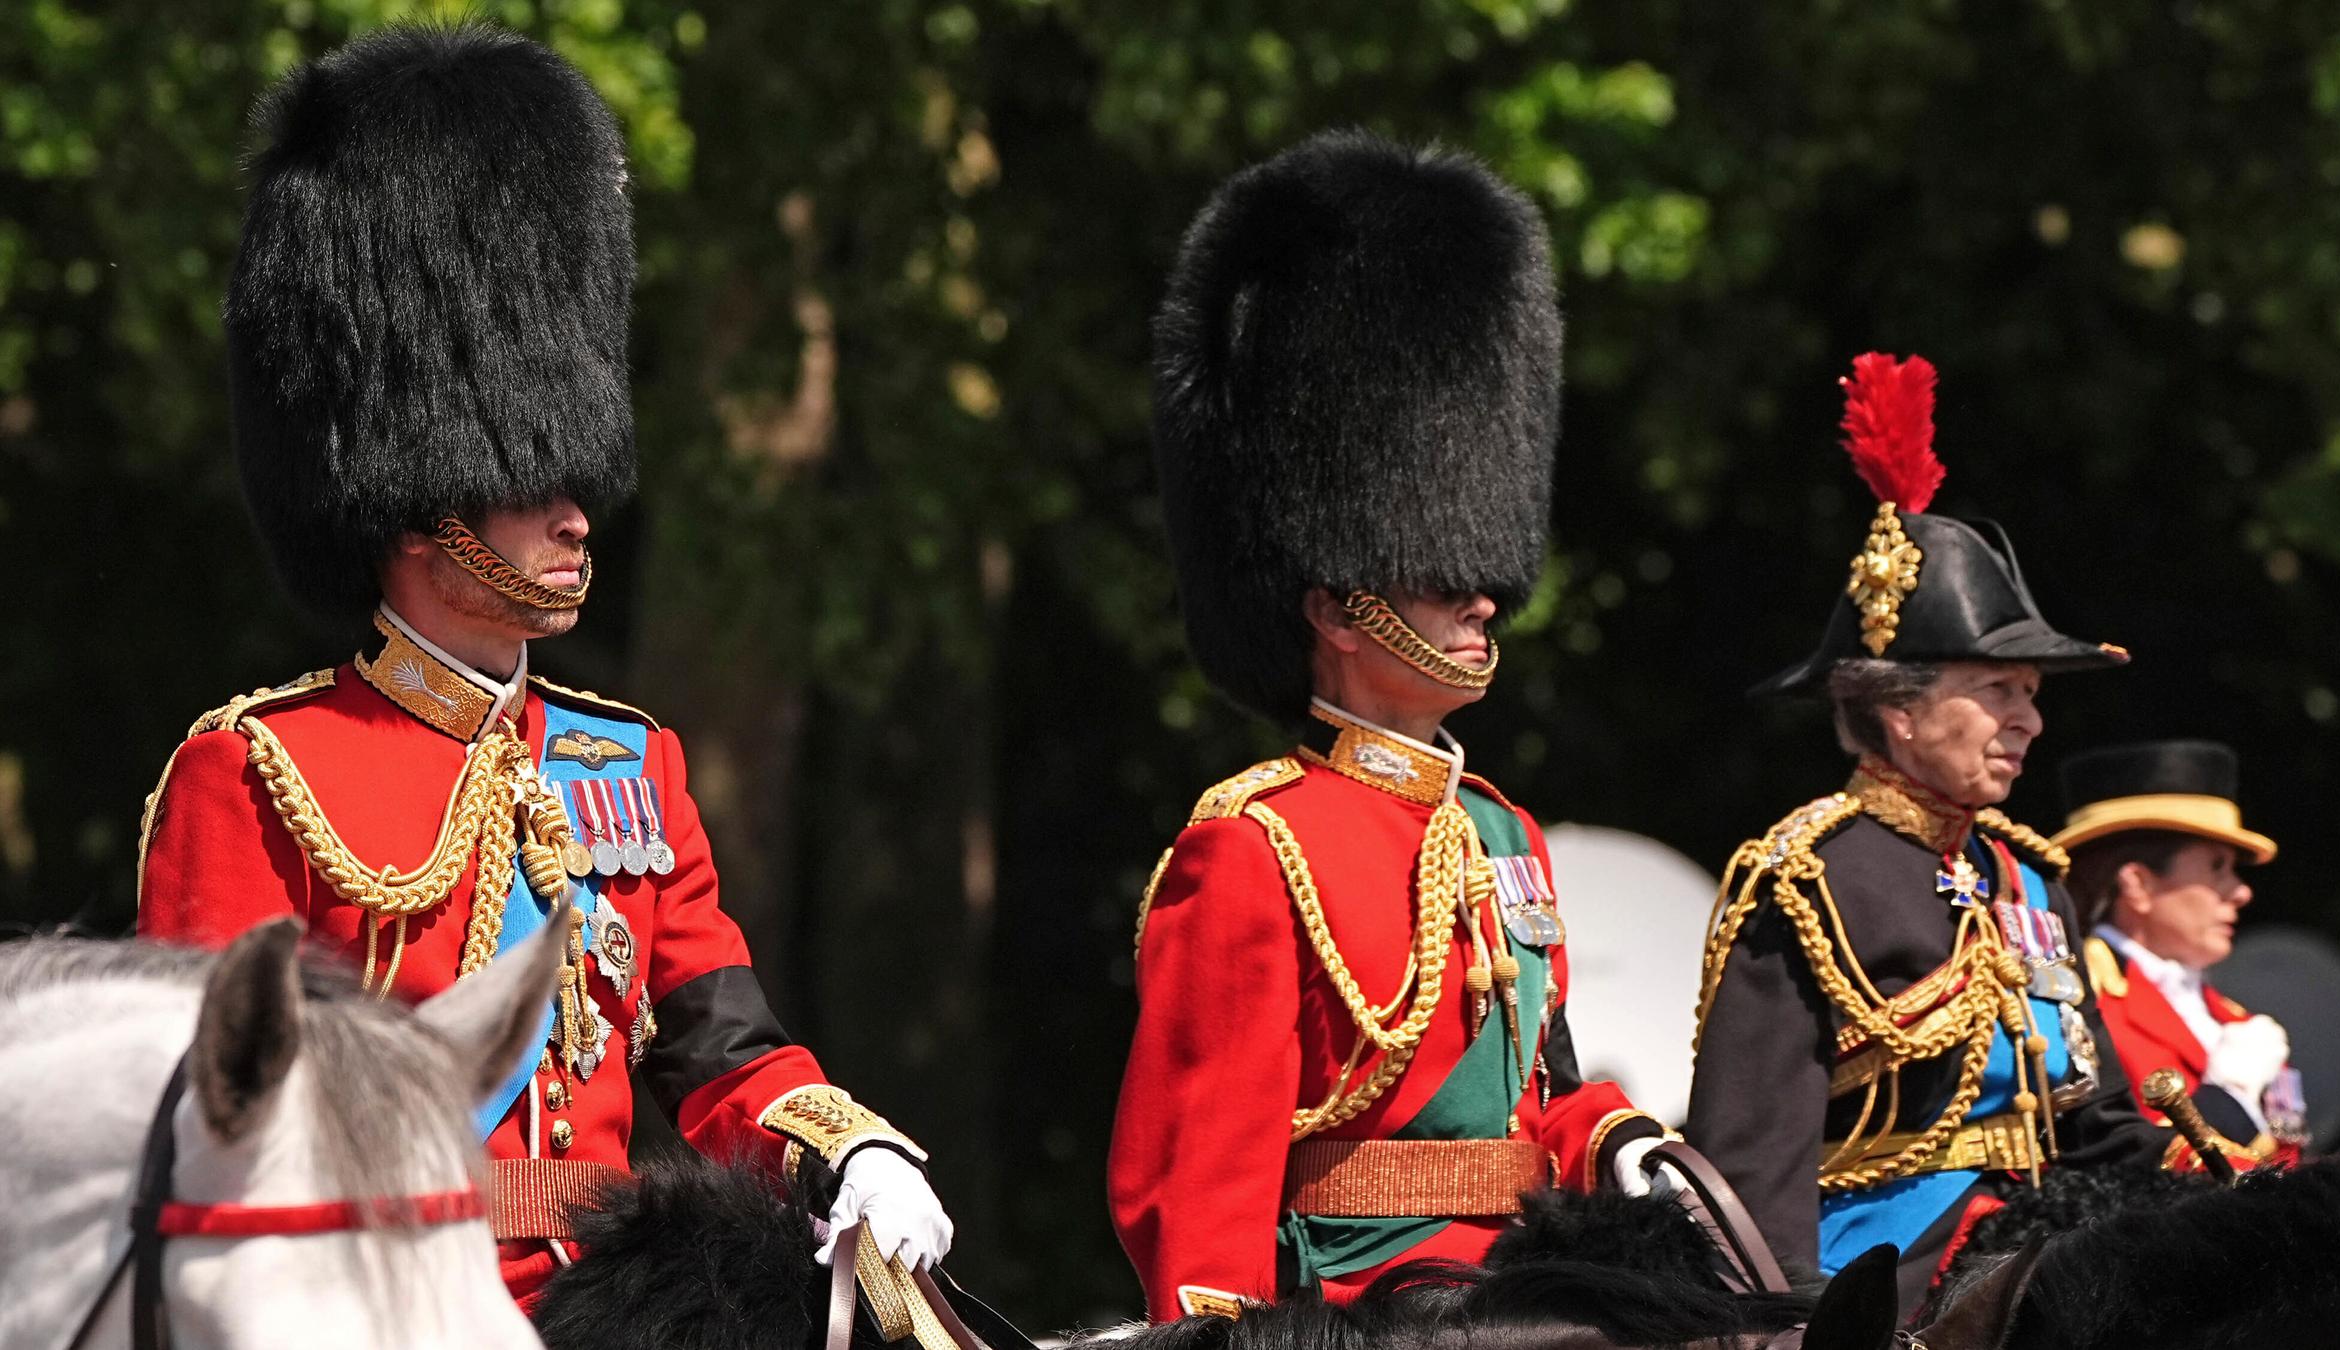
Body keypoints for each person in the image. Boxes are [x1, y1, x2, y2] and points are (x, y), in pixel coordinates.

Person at [135, 24, 949, 1306]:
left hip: (624, 1300)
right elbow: (210, 1133)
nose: (578, 516)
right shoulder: (257, 771)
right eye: (529, 481)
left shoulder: (627, 763)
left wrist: (848, 1149)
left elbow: (722, 1054)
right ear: (418, 498)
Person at [1107, 130, 1671, 1324]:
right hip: (1359, 1310)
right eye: (1436, 572)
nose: (1482, 600)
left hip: (1527, 1291)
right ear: (1338, 607)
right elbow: (1199, 1174)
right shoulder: (1257, 844)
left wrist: (1616, 1138)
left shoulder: (1503, 834)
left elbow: (1540, 1097)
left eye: (1484, 573)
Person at [1686, 353, 2165, 1302]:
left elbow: (2103, 1124)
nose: (2027, 720)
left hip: (2046, 1251)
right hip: (1880, 1278)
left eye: (2031, 694)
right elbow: (1750, 1159)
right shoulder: (1808, 878)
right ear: (1898, 712)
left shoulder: (2030, 881)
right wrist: (1787, 1328)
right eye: (1997, 692)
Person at [2056, 740, 2306, 1166]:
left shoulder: (2234, 1018)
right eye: (2216, 867)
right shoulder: (2081, 1000)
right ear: (2138, 884)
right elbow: (2125, 1171)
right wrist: (2230, 1096)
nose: (2242, 891)